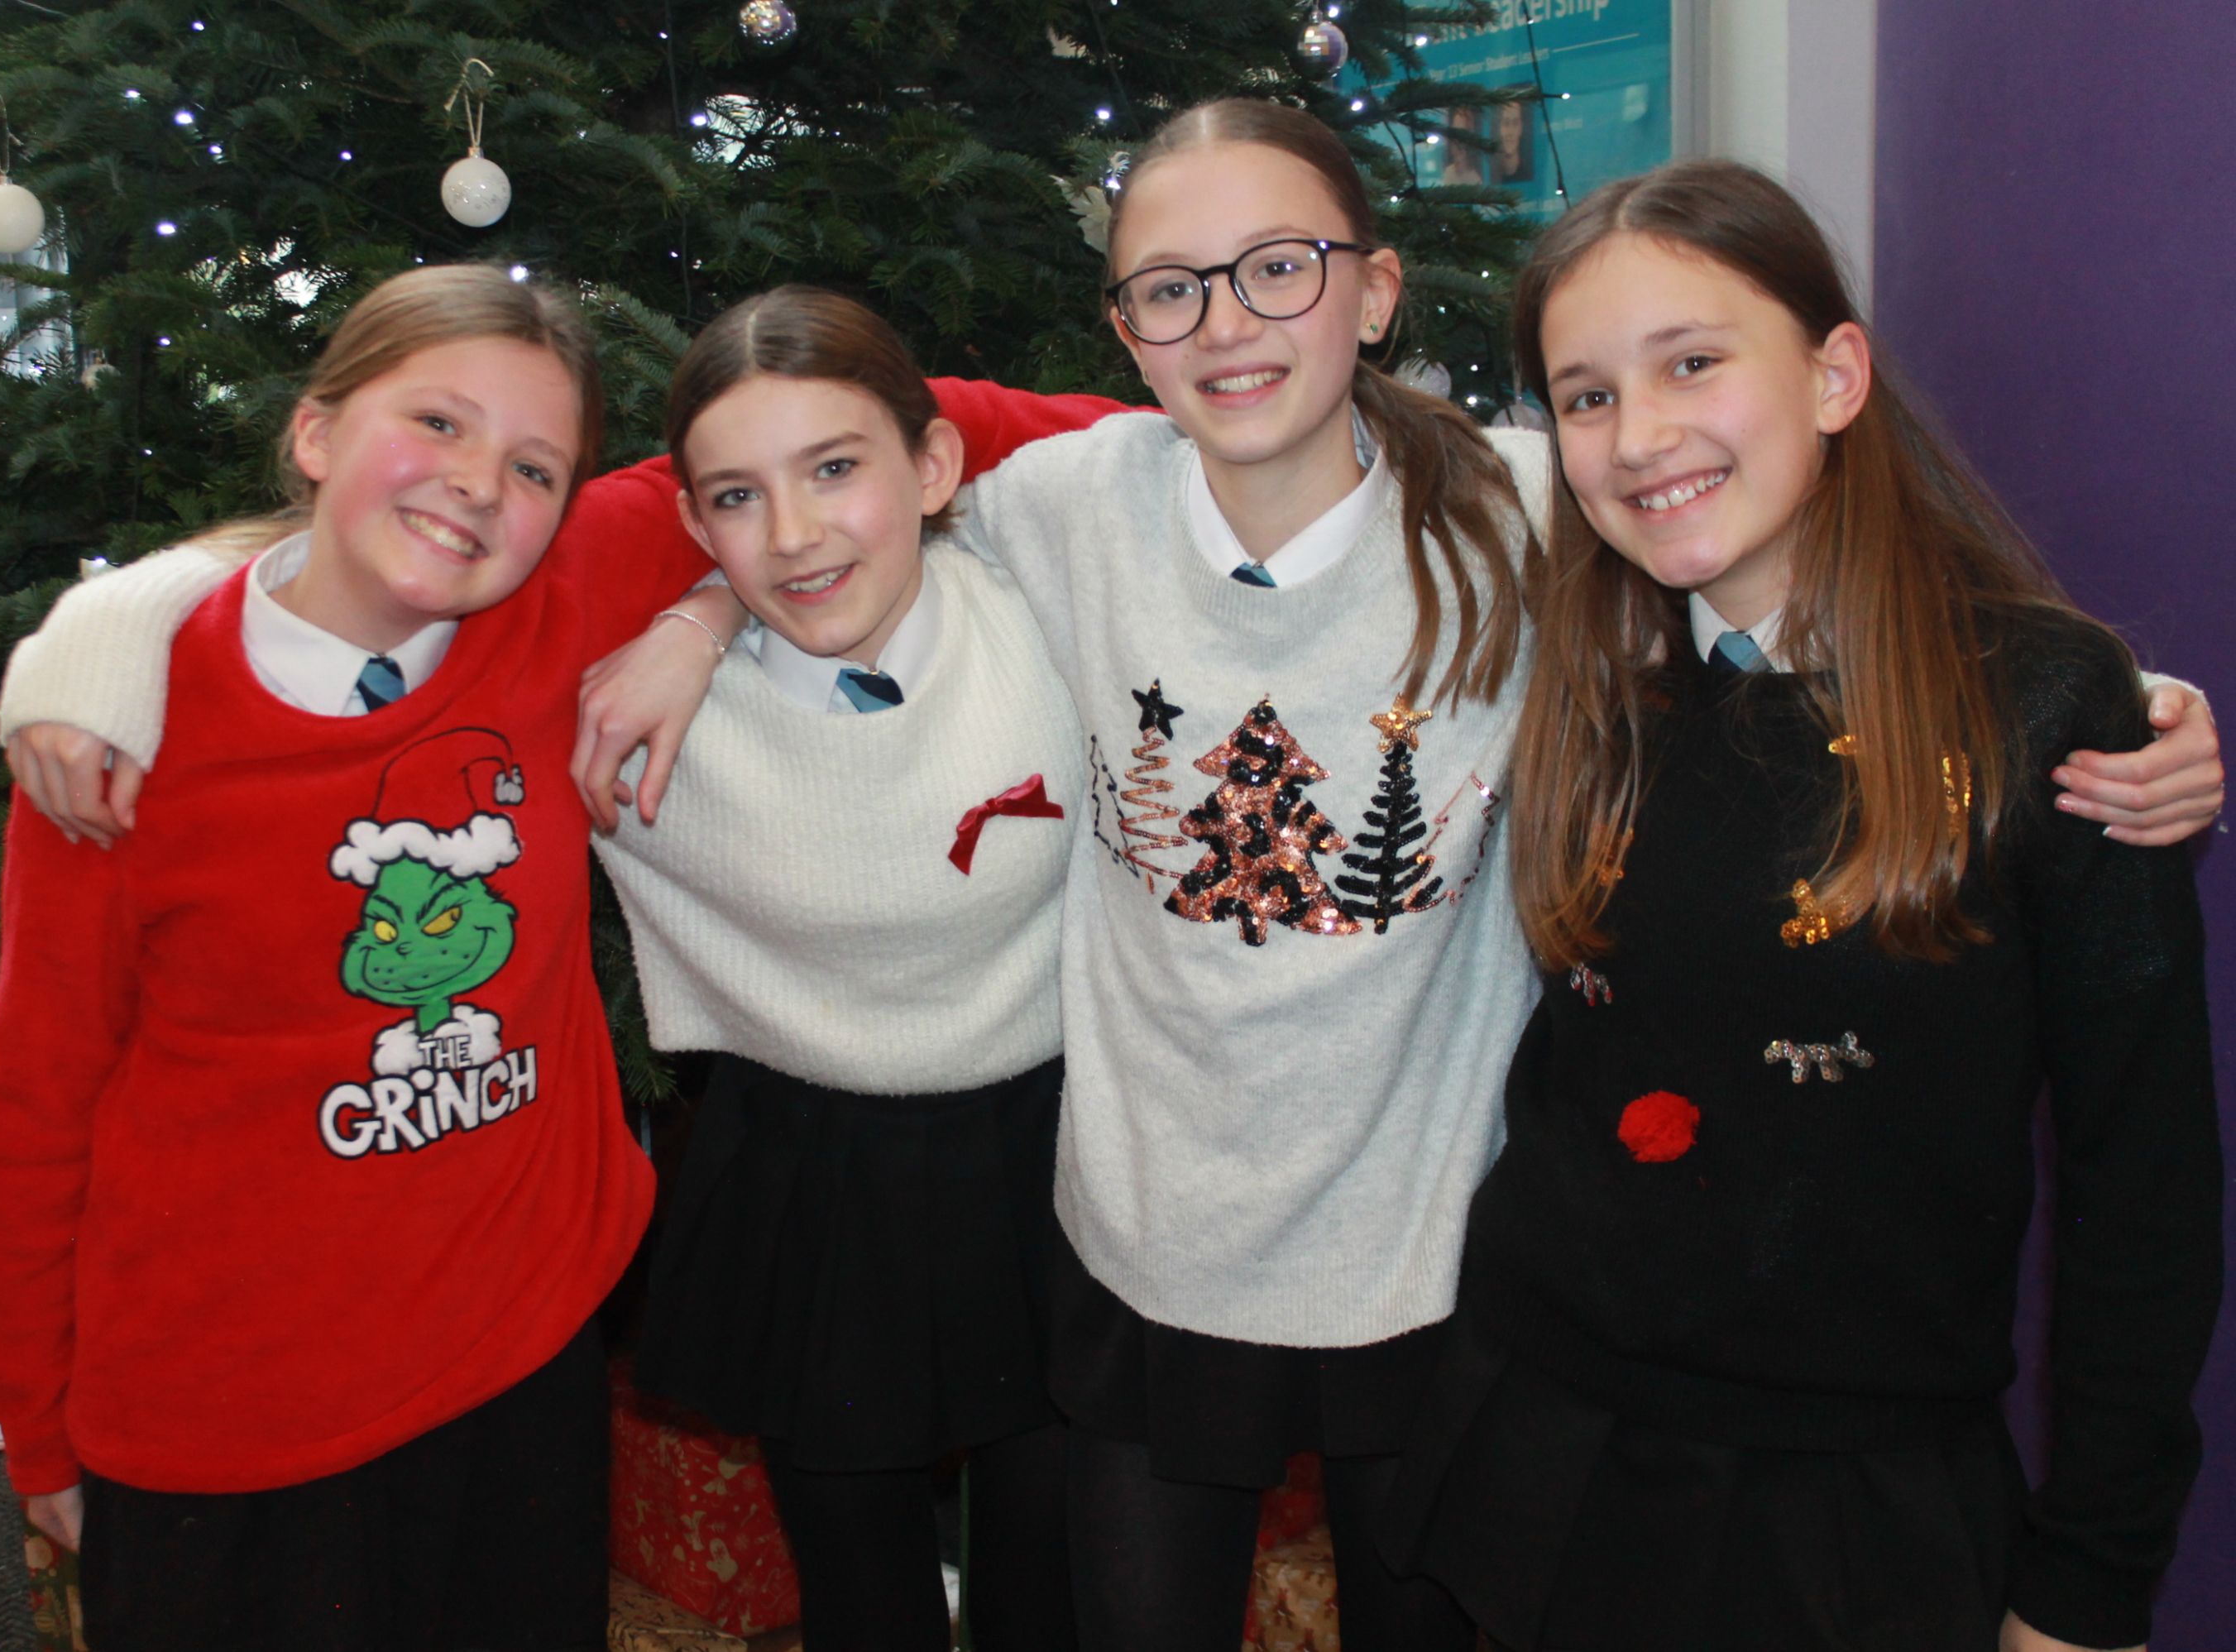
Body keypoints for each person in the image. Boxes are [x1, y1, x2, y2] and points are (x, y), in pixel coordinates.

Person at [566, 101, 2222, 1652]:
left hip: (1447, 1277)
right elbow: (827, 491)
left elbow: (1827, 607)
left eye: (1276, 267)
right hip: (1151, 1253)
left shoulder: (1534, 501)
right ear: (1123, 331)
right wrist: (692, 619)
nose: (1225, 323)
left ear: (1371, 291)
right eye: (1167, 290)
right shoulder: (1068, 505)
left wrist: (2108, 705)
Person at [1380, 160, 2220, 1652]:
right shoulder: (1581, 677)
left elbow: (2143, 1188)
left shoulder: (2050, 709)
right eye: (1584, 396)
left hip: (1852, 1509)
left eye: (1694, 362)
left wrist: (2092, 1578)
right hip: (1527, 1443)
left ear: (1836, 374)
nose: (1641, 437)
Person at [0, 264, 714, 1652]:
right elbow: (38, 1093)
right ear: (313, 436)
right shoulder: (114, 727)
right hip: (222, 1414)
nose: (480, 482)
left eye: (535, 465)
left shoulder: (561, 592)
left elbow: (838, 443)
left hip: (519, 1360)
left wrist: (698, 617)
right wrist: (33, 1416)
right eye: (435, 422)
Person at [583, 286, 1103, 1652]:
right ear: (689, 521)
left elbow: (1216, 445)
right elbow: (366, 589)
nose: (798, 533)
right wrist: (85, 650)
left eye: (836, 469)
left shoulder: (1045, 590)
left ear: (932, 471)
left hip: (1062, 1148)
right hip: (808, 1177)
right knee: (859, 1595)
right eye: (738, 500)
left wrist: (702, 604)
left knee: (1052, 1572)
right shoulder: (630, 711)